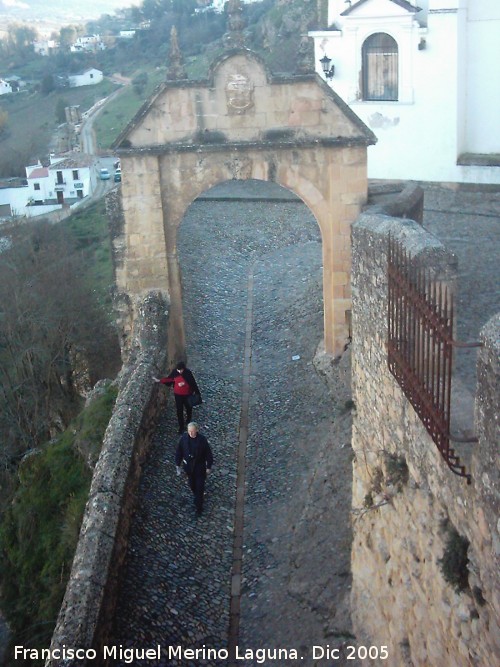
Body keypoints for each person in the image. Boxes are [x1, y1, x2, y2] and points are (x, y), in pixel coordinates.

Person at [175, 422, 213, 517]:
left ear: (197, 430)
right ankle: (197, 496)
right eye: (189, 431)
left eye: (192, 431)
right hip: (189, 469)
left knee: (200, 487)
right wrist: (177, 464)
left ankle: (198, 507)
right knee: (192, 485)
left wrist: (208, 466)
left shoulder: (202, 440)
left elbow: (208, 454)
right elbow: (179, 452)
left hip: (200, 468)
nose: (191, 433)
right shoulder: (184, 439)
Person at [153, 361, 201, 433]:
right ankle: (181, 427)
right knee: (179, 410)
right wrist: (160, 380)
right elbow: (169, 379)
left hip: (187, 394)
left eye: (180, 370)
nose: (179, 371)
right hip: (178, 395)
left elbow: (192, 383)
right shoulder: (175, 372)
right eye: (178, 370)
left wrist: (185, 384)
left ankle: (188, 419)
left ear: (183, 369)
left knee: (188, 407)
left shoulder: (188, 373)